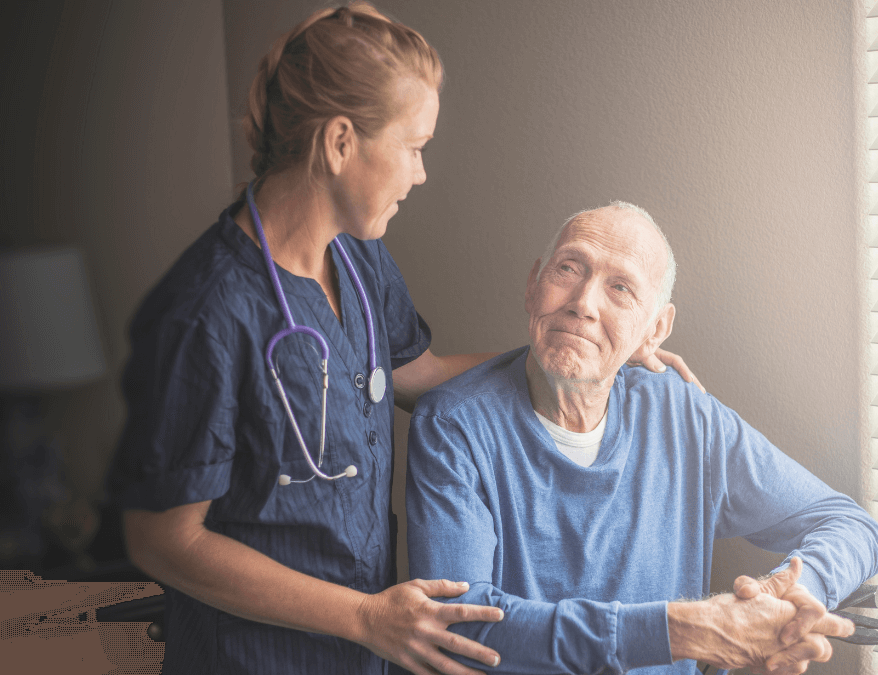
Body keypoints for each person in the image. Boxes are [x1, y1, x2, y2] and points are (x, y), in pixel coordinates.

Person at [106, 5, 696, 675]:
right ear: (338, 143)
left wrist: (588, 358)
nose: (419, 173)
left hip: (366, 654)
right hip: (254, 657)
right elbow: (162, 539)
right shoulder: (207, 310)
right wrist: (363, 615)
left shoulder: (358, 261)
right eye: (413, 147)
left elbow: (421, 373)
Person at [405, 202, 878, 675]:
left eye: (620, 288)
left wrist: (797, 589)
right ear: (533, 286)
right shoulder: (453, 426)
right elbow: (458, 629)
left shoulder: (684, 416)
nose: (584, 303)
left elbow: (849, 525)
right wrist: (683, 630)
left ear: (654, 330)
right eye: (569, 268)